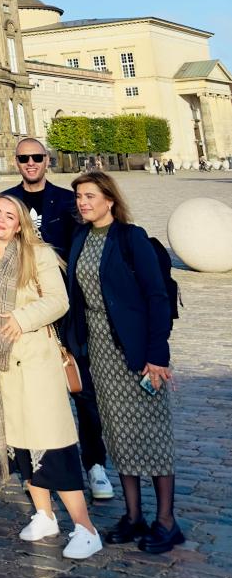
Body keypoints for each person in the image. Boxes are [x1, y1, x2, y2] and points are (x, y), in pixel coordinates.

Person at [0, 194, 102, 559]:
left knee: (53, 445)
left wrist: (21, 318)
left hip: (34, 361)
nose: (1, 220)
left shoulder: (36, 253)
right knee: (22, 446)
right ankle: (44, 514)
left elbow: (59, 301)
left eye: (9, 216)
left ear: (20, 224)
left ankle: (85, 527)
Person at [66, 171, 183, 555]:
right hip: (99, 354)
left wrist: (156, 356)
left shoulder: (131, 238)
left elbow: (156, 297)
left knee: (153, 435)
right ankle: (134, 516)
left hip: (135, 353)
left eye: (89, 196)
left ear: (109, 200)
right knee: (119, 435)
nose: (83, 202)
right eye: (79, 197)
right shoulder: (81, 239)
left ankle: (166, 521)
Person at [6, 139, 112, 502]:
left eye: (37, 157)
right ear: (16, 163)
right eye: (24, 158)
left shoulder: (69, 203)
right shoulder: (8, 201)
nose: (31, 163)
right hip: (25, 317)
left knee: (82, 388)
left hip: (67, 310)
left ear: (47, 161)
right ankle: (35, 467)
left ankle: (94, 464)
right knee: (30, 394)